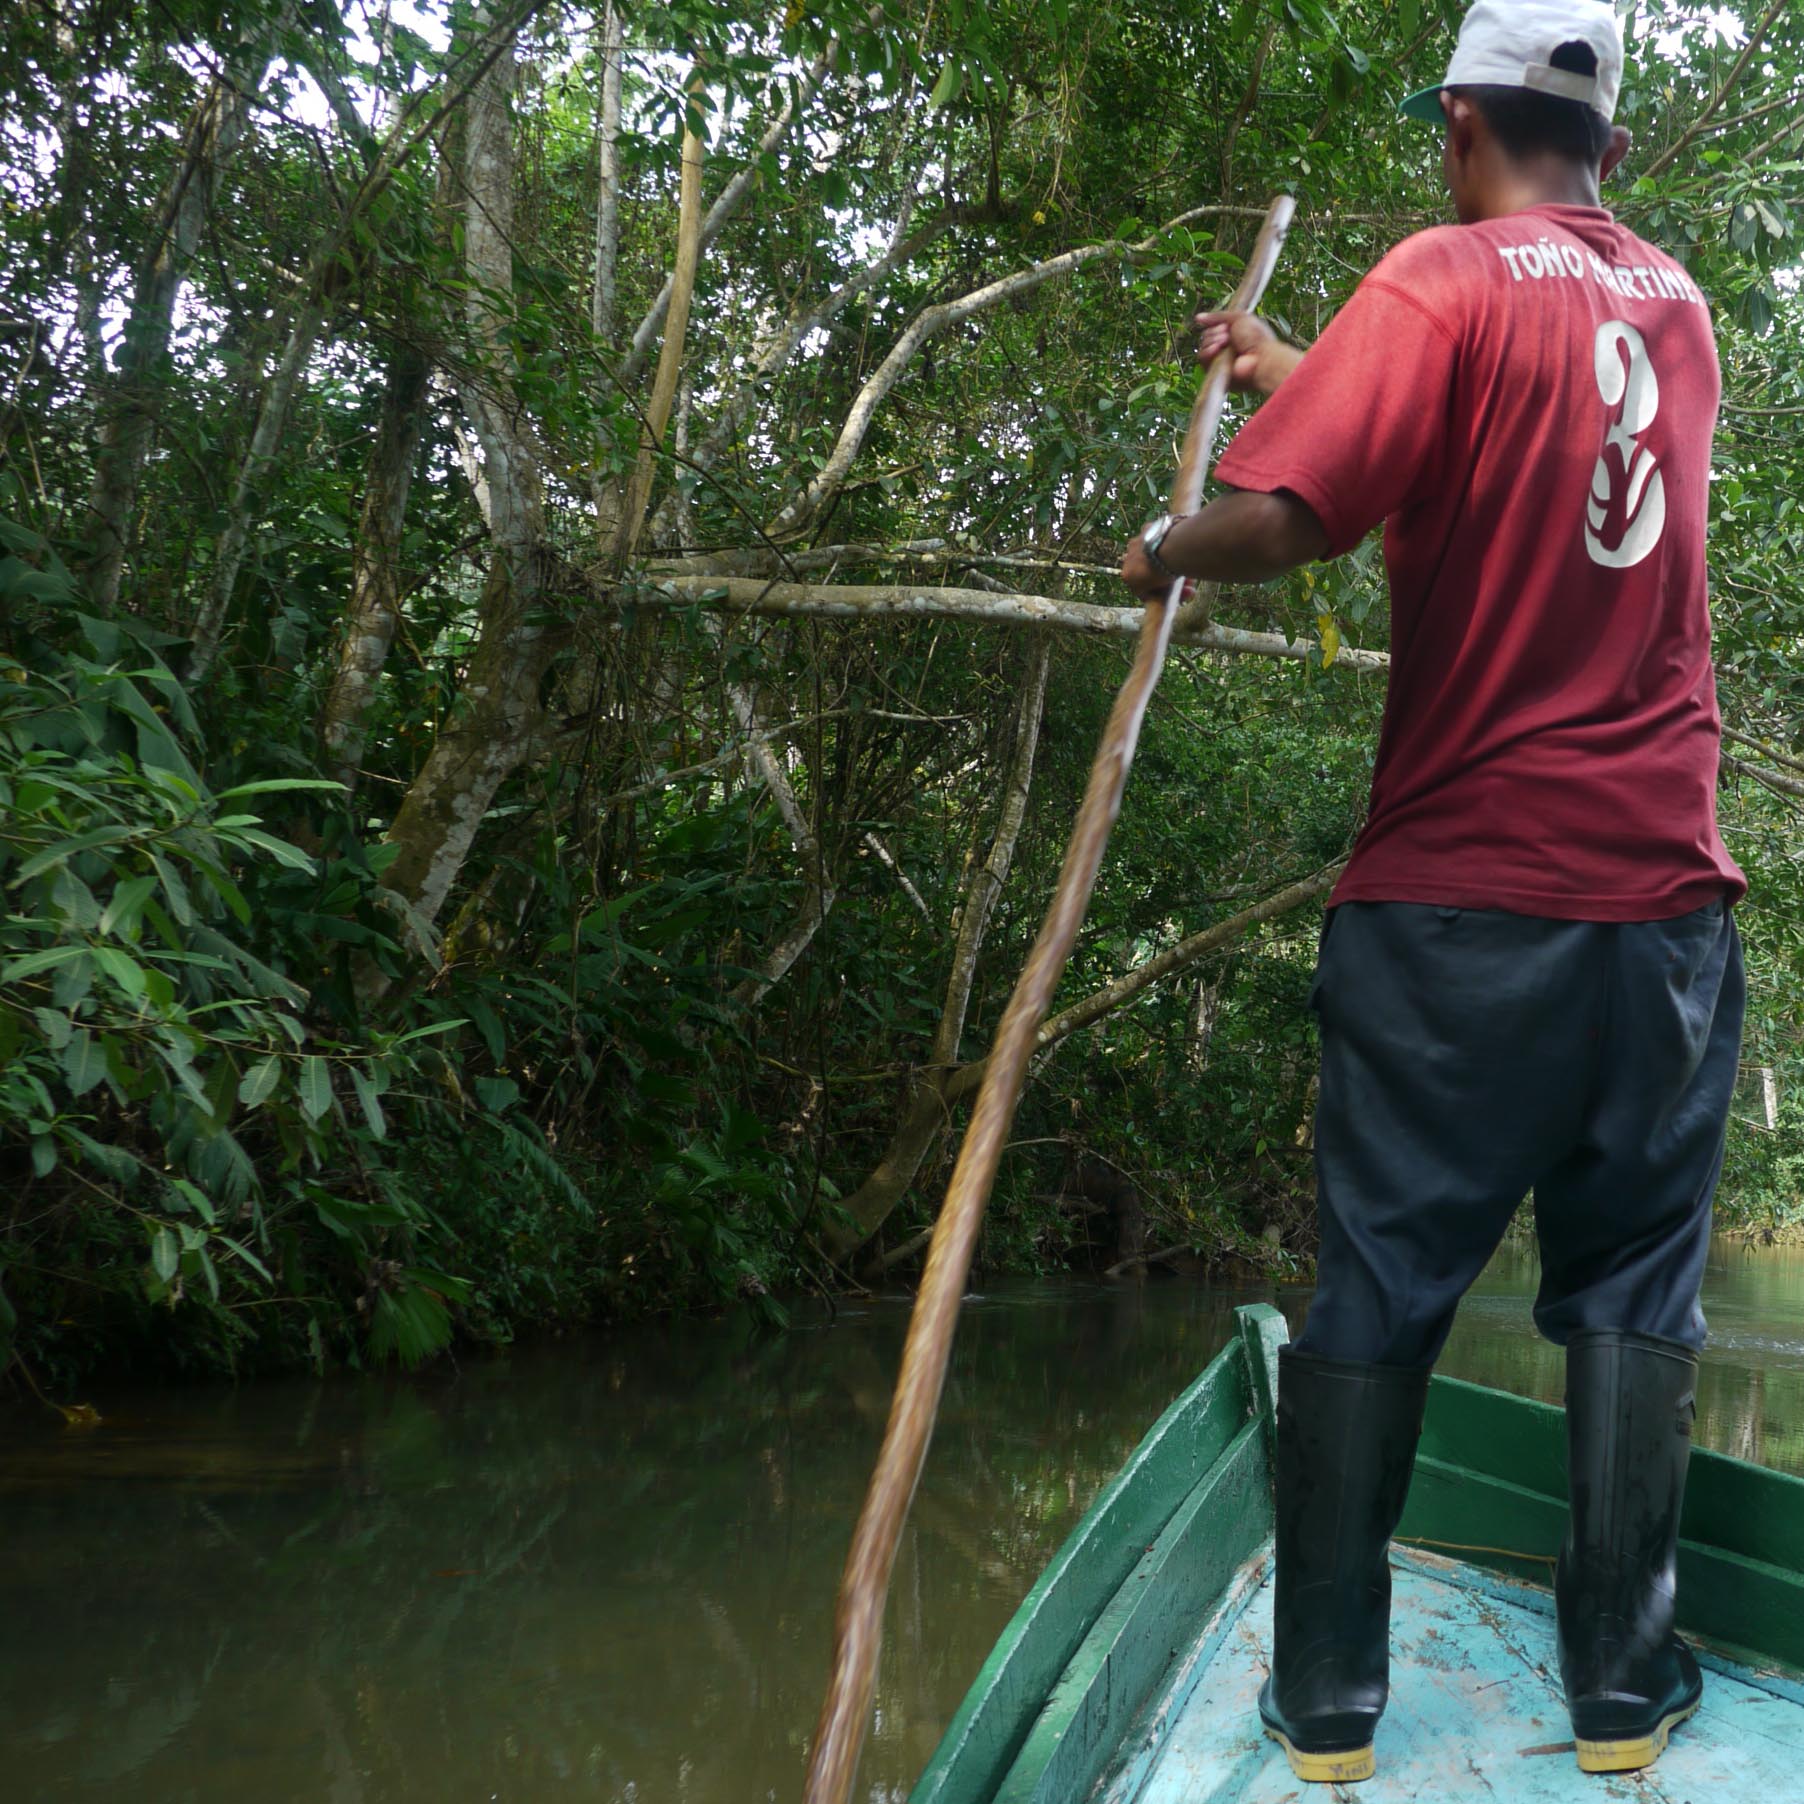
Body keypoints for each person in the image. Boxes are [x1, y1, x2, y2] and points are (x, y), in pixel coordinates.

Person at [1119, 0, 1745, 1785]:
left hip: (1463, 905)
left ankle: (1327, 1701)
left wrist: (1166, 546)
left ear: (1461, 130)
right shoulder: (1682, 309)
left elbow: (1308, 510)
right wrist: (1290, 362)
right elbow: (1516, 450)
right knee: (1632, 1288)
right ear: (1609, 154)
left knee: (1384, 1276)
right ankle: (1623, 1688)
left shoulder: (1441, 277)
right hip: (1664, 918)